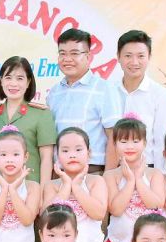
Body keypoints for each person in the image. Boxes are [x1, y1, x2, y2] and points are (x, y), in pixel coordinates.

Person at [46, 27, 119, 172]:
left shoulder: (104, 89)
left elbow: (114, 136)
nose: (67, 59)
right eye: (62, 53)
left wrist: (109, 176)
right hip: (59, 173)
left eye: (74, 53)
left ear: (88, 57)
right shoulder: (54, 92)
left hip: (93, 171)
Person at [101, 117, 166, 242]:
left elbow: (156, 204)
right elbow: (116, 210)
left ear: (145, 143)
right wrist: (130, 182)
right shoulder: (110, 176)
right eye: (124, 141)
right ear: (115, 144)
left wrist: (138, 179)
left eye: (136, 141)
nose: (130, 146)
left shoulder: (154, 174)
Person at [108, 30, 166, 170]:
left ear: (149, 57)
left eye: (141, 56)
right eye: (128, 56)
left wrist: (160, 175)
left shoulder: (160, 95)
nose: (134, 62)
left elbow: (162, 140)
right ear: (118, 56)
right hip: (114, 169)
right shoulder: (108, 91)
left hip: (147, 169)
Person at [0, 56, 57, 183]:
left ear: (28, 82)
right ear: (1, 80)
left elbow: (46, 158)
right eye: (8, 77)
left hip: (30, 186)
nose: (13, 83)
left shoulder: (41, 114)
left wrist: (43, 190)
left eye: (20, 78)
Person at [42, 127, 108, 242]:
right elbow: (47, 216)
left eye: (78, 150)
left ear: (89, 153)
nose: (72, 155)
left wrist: (77, 187)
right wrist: (66, 185)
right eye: (65, 150)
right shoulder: (52, 185)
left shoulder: (96, 181)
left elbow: (99, 213)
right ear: (57, 155)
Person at [0, 127, 41, 242]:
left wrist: (13, 190)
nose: (9, 160)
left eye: (15, 154)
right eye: (3, 155)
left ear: (25, 157)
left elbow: (27, 220)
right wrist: (5, 188)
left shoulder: (33, 187)